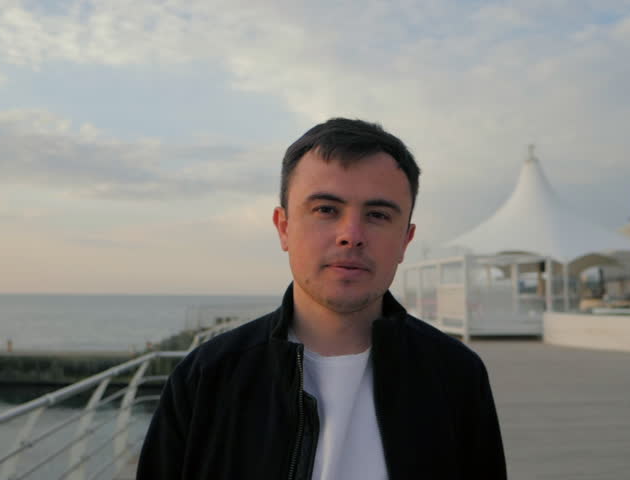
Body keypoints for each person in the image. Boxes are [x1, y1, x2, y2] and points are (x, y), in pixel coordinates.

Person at [137, 118, 506, 479]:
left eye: (377, 215)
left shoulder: (455, 376)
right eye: (326, 210)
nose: (351, 235)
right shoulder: (207, 378)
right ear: (283, 228)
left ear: (405, 242)